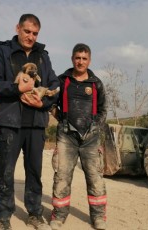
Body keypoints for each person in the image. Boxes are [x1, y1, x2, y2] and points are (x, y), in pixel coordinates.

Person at [0, 14, 59, 230]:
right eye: (27, 31)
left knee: (34, 171)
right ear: (18, 28)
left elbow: (54, 84)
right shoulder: (2, 51)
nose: (31, 37)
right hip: (9, 122)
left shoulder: (43, 56)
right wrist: (17, 88)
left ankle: (35, 214)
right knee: (6, 171)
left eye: (35, 33)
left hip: (36, 123)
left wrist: (42, 104)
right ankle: (3, 217)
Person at [50, 43, 108, 230]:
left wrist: (95, 127)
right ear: (72, 59)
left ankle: (98, 217)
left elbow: (103, 110)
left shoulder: (96, 83)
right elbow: (51, 103)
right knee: (62, 177)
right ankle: (58, 216)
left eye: (84, 58)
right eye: (77, 58)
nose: (80, 61)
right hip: (66, 137)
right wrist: (62, 120)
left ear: (89, 60)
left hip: (91, 139)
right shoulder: (61, 80)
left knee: (95, 178)